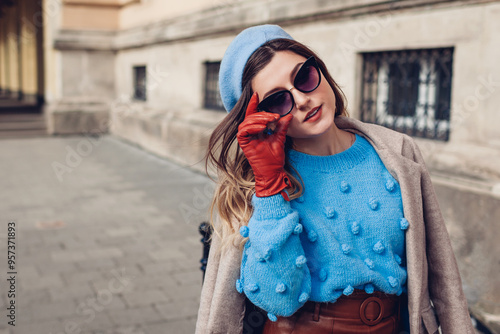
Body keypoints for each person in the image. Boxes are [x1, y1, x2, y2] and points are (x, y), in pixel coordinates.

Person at [196, 24, 474, 334]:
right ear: (258, 117)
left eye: (304, 78)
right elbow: (279, 301)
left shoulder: (397, 151)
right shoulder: (255, 183)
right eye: (277, 100)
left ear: (322, 71)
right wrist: (270, 186)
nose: (302, 99)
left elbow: (442, 274)